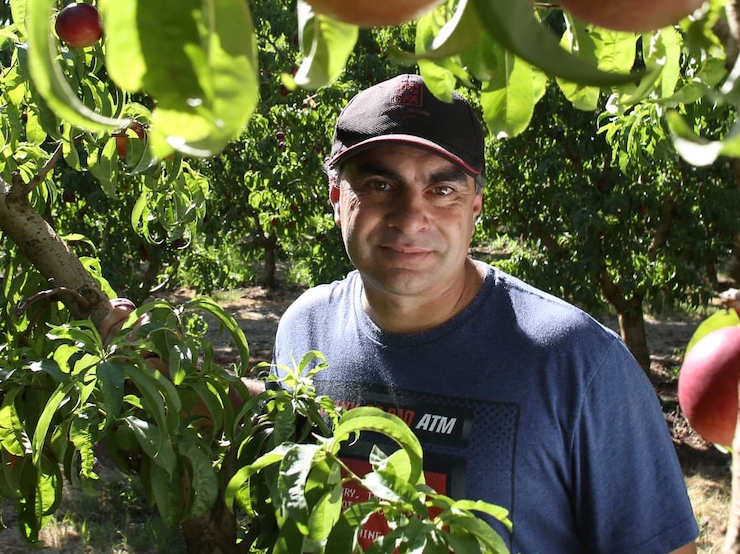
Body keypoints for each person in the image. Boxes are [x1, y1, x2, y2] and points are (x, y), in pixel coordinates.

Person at [270, 73, 699, 553]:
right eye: (379, 184)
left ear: (476, 205)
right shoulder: (305, 333)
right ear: (336, 198)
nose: (411, 217)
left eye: (443, 190)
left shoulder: (577, 364)